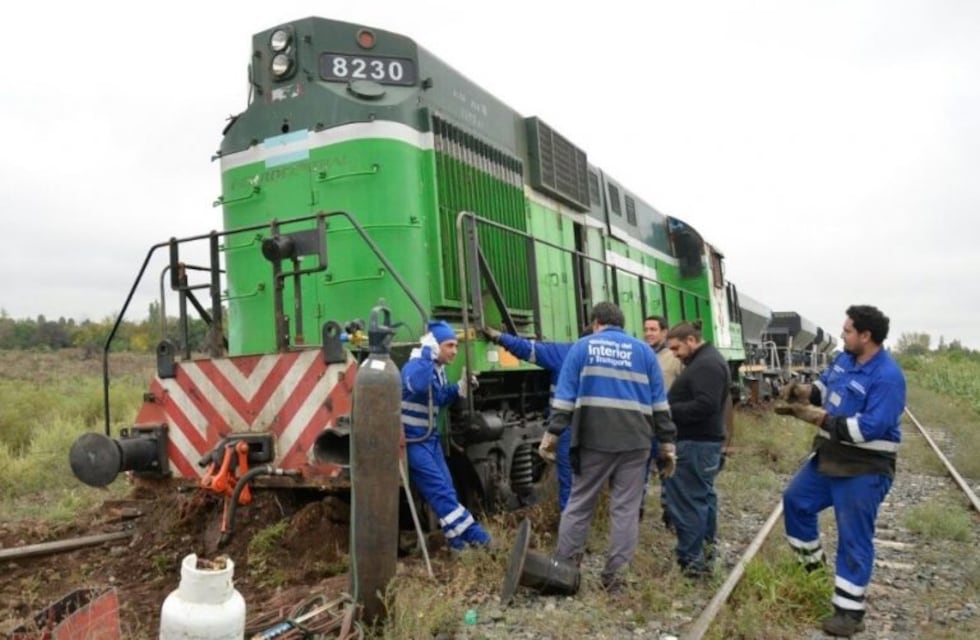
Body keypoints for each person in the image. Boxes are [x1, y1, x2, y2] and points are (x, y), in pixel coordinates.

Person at [778, 305, 905, 637]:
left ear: (866, 336)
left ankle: (850, 613)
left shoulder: (888, 377)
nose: (843, 334)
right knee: (795, 501)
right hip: (830, 457)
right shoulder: (845, 359)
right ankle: (813, 573)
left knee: (853, 535)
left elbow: (870, 428)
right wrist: (804, 392)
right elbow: (825, 387)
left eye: (848, 330)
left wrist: (816, 418)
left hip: (864, 468)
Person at [541, 302, 677, 591]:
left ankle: (564, 571)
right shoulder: (645, 353)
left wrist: (552, 435)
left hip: (593, 440)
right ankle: (615, 578)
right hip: (636, 442)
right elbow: (660, 404)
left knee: (578, 505)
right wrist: (667, 444)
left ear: (595, 323)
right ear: (622, 324)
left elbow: (564, 399)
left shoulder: (582, 347)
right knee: (625, 509)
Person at [401, 320, 491, 551]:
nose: (454, 351)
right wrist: (426, 355)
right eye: (449, 345)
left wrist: (460, 387)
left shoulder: (437, 370)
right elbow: (418, 386)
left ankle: (457, 544)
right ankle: (478, 537)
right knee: (440, 492)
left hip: (429, 440)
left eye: (456, 346)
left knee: (447, 489)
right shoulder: (415, 366)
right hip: (413, 441)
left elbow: (438, 398)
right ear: (433, 345)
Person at [661, 320, 730, 578]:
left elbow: (706, 405)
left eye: (677, 349)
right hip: (702, 443)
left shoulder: (707, 365)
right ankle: (705, 553)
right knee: (702, 499)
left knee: (688, 503)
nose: (675, 355)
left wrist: (668, 410)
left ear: (691, 340)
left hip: (695, 446)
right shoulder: (706, 362)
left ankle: (692, 564)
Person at [481, 326, 576, 511]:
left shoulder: (566, 352)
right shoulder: (620, 357)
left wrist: (499, 337)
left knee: (570, 485)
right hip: (604, 428)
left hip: (569, 427)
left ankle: (572, 532)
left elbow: (527, 349)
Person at [642, 315, 683, 526]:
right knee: (640, 473)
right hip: (643, 426)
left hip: (666, 425)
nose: (648, 333)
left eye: (653, 329)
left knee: (668, 471)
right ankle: (636, 513)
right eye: (646, 329)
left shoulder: (674, 359)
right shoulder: (639, 356)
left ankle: (670, 515)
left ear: (664, 332)